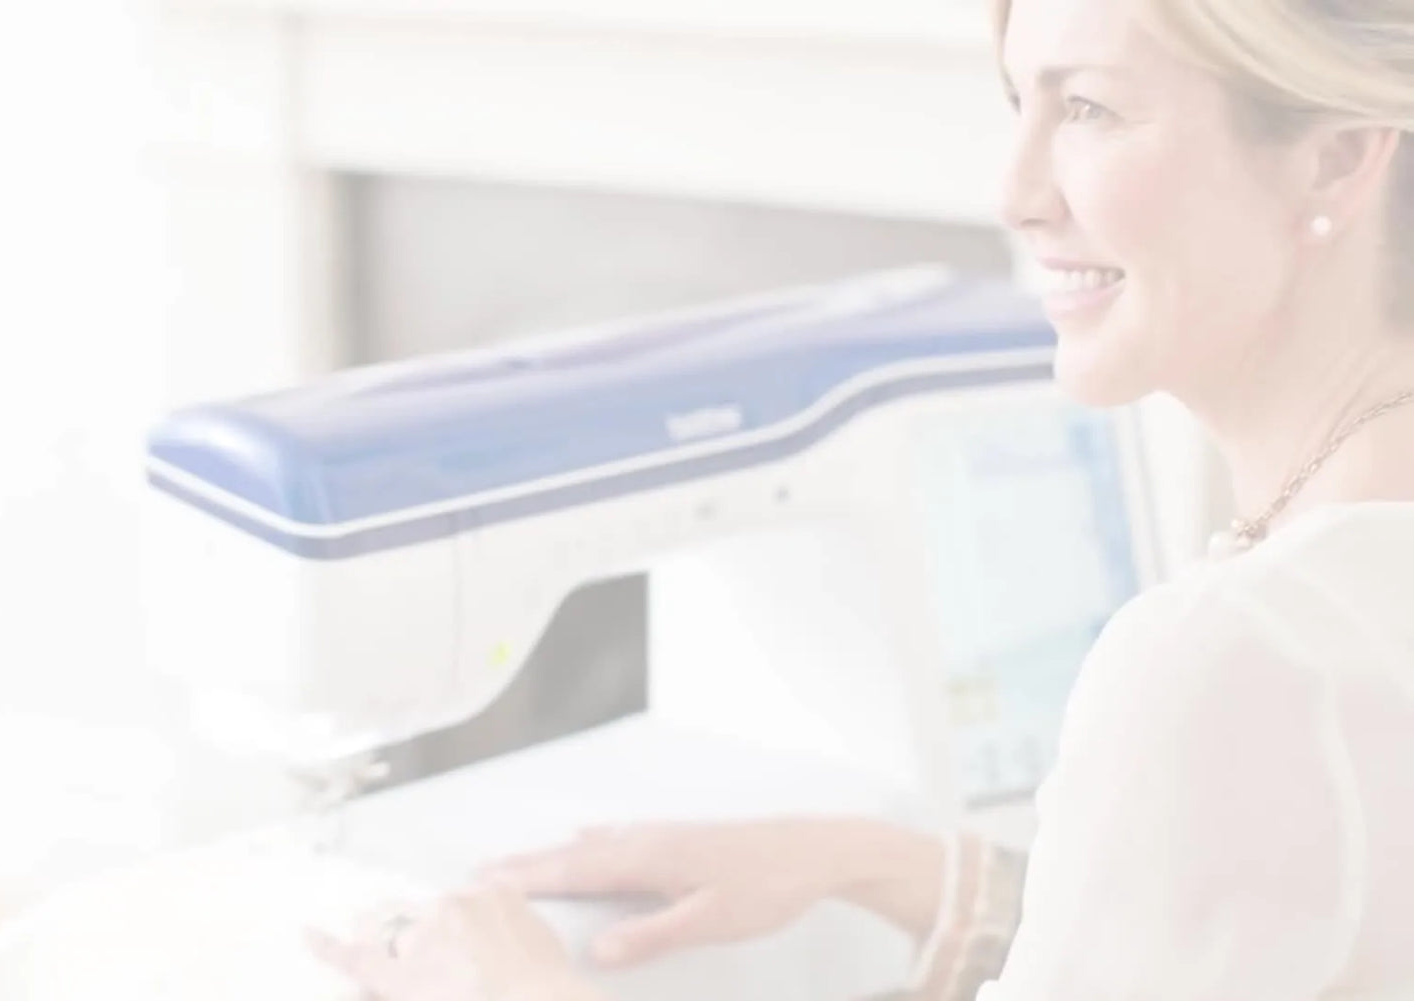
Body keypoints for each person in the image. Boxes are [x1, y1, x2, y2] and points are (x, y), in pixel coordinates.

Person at [307, 0, 1414, 997]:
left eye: (1088, 108)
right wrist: (879, 863)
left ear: (1335, 161)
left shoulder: (1230, 656)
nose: (1015, 193)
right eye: (1016, 102)